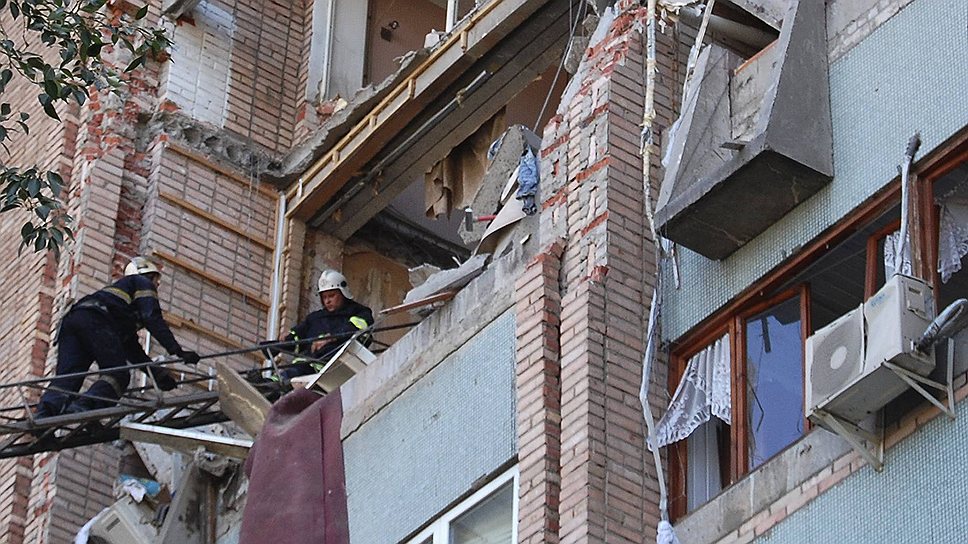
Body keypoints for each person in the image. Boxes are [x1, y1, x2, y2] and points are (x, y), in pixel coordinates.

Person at [34, 256, 200, 418]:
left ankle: (44, 413)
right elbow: (152, 317)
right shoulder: (141, 283)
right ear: (148, 274)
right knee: (118, 374)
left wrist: (155, 374)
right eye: (156, 279)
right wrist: (177, 351)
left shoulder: (121, 307)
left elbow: (132, 351)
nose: (157, 285)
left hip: (75, 321)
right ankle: (87, 406)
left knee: (69, 376)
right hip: (97, 320)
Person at [274, 269, 374, 381]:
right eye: (324, 297)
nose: (327, 301)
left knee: (293, 374)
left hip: (332, 367)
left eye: (331, 296)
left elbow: (355, 329)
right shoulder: (315, 318)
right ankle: (268, 383)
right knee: (283, 376)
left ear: (343, 293)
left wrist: (329, 338)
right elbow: (299, 334)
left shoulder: (359, 311)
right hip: (303, 368)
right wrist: (287, 338)